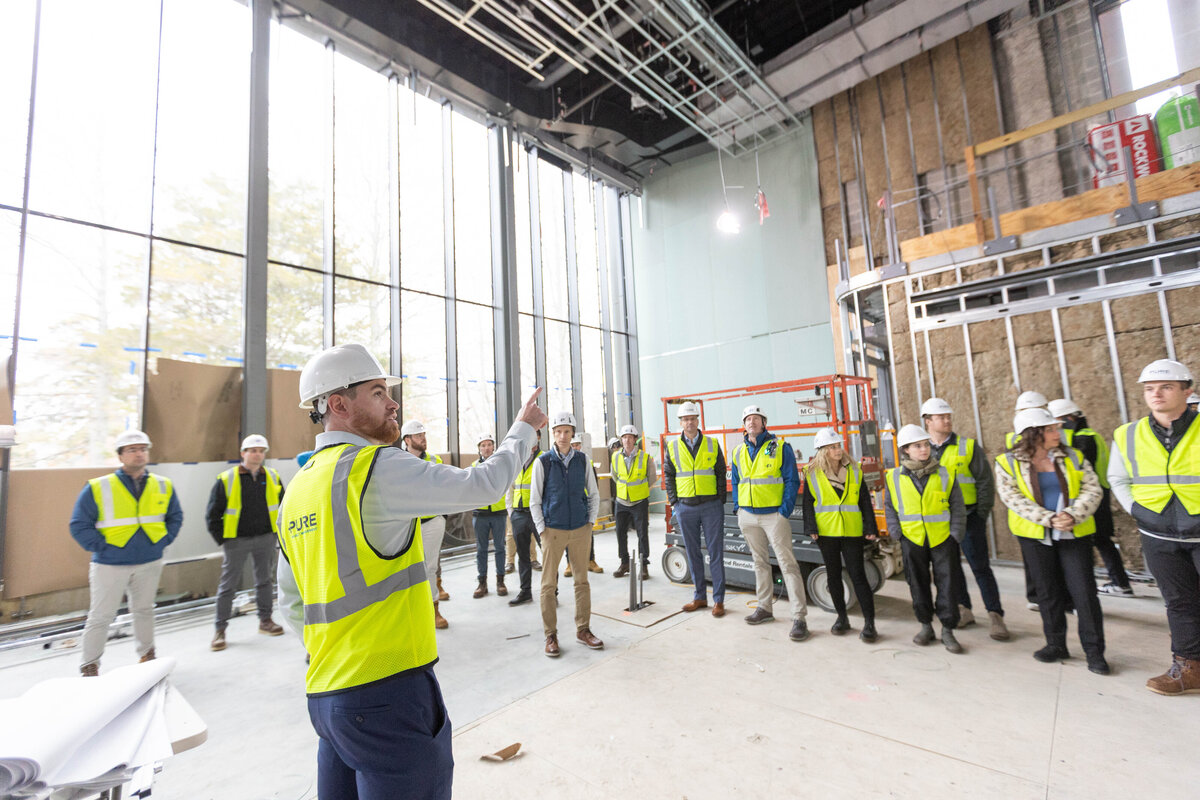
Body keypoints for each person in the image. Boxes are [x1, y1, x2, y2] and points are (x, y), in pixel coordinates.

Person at [276, 343, 544, 799]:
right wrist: (523, 429)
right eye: (378, 393)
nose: (393, 403)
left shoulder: (297, 491)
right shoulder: (375, 469)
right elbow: (483, 485)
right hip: (389, 695)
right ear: (338, 404)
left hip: (327, 699)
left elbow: (293, 604)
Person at [1110, 359, 1200, 695]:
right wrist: (1138, 510)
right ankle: (1188, 669)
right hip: (1157, 533)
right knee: (1179, 602)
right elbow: (1118, 478)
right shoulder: (1128, 434)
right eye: (1150, 389)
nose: (1156, 394)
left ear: (1187, 391)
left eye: (1166, 387)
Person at [995, 407, 1107, 674]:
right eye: (1050, 429)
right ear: (1032, 434)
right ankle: (1056, 644)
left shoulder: (1073, 456)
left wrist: (1072, 515)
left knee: (1084, 592)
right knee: (1048, 592)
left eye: (1056, 428)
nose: (1058, 432)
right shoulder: (1007, 462)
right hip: (1035, 536)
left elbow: (1092, 488)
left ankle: (1095, 653)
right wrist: (1048, 518)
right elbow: (1012, 498)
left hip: (1074, 533)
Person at [69, 430, 183, 676]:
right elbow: (79, 525)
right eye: (132, 450)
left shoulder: (163, 485)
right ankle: (90, 664)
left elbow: (175, 517)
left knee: (144, 610)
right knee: (101, 616)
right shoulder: (99, 486)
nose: (139, 454)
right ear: (120, 456)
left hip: (149, 560)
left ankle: (147, 654)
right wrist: (103, 547)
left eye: (143, 449)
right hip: (110, 563)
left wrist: (162, 541)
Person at [921, 398, 1009, 641]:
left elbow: (984, 482)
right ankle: (964, 609)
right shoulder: (922, 450)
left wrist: (981, 514)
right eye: (941, 417)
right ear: (928, 421)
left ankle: (995, 615)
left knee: (980, 567)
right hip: (941, 521)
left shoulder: (968, 446)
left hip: (970, 517)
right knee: (951, 568)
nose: (947, 420)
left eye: (948, 416)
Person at [884, 424, 966, 654]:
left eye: (925, 445)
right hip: (912, 539)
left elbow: (957, 505)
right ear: (906, 450)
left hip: (943, 538)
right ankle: (926, 626)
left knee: (948, 584)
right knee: (917, 584)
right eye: (917, 446)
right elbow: (890, 507)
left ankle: (948, 630)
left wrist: (955, 534)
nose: (924, 449)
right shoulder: (894, 477)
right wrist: (896, 532)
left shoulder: (944, 473)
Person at [731, 405, 808, 642]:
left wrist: (784, 511)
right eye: (748, 419)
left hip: (774, 516)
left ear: (764, 423)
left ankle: (799, 617)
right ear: (744, 425)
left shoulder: (780, 447)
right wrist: (738, 507)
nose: (751, 422)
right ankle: (764, 608)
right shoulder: (738, 451)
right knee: (759, 562)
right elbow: (736, 481)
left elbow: (791, 480)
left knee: (788, 565)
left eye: (756, 418)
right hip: (748, 516)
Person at [531, 412, 603, 657]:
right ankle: (550, 635)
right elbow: (534, 500)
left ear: (573, 434)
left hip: (580, 529)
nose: (562, 436)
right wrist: (542, 529)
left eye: (567, 431)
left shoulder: (583, 460)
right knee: (548, 584)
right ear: (552, 434)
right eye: (558, 431)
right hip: (553, 530)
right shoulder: (543, 462)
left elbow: (593, 494)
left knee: (582, 581)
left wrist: (590, 522)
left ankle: (583, 630)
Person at [206, 434, 286, 651]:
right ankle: (220, 630)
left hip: (265, 538)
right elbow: (212, 513)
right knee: (228, 585)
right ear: (243, 453)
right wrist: (223, 539)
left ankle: (266, 621)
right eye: (253, 451)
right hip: (236, 541)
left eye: (261, 451)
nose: (257, 454)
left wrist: (276, 535)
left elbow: (284, 506)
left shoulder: (272, 477)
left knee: (265, 581)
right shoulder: (227, 478)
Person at [1049, 397, 1133, 597]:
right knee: (1102, 539)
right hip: (1098, 493)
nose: (1055, 429)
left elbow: (1077, 468)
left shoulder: (1082, 438)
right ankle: (1120, 582)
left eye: (1057, 423)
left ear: (1068, 418)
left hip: (1090, 497)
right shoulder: (1089, 434)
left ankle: (1118, 583)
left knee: (1098, 540)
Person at [802, 427, 879, 642]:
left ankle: (870, 624)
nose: (838, 450)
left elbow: (864, 500)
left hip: (852, 531)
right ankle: (842, 618)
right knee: (833, 576)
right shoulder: (812, 473)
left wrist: (870, 527)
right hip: (826, 532)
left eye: (838, 446)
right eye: (832, 447)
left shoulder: (854, 470)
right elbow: (808, 502)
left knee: (858, 575)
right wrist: (811, 528)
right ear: (822, 451)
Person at [664, 401, 727, 617]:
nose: (689, 422)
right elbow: (669, 475)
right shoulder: (672, 446)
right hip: (685, 507)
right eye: (685, 419)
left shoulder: (712, 443)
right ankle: (700, 597)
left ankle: (718, 600)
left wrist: (719, 499)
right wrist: (675, 502)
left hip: (711, 506)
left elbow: (720, 471)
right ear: (680, 422)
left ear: (698, 420)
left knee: (715, 553)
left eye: (692, 418)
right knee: (692, 553)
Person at [402, 419, 449, 629]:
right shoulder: (398, 461)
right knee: (406, 569)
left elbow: (444, 486)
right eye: (418, 435)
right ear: (407, 440)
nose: (423, 438)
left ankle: (434, 609)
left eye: (424, 435)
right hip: (407, 524)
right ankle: (411, 611)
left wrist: (443, 516)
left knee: (430, 567)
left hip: (432, 522)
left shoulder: (434, 460)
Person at [611, 424, 656, 580]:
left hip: (639, 501)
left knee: (642, 533)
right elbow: (615, 476)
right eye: (624, 437)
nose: (627, 440)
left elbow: (652, 478)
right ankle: (624, 563)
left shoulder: (645, 457)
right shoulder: (615, 457)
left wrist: (639, 490)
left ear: (635, 439)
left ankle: (643, 565)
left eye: (630, 437)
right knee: (620, 532)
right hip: (621, 501)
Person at [505, 433, 543, 606]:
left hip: (538, 514)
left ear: (538, 439)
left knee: (548, 554)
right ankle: (525, 592)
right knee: (523, 556)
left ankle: (552, 592)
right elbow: (510, 488)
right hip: (519, 514)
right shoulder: (517, 460)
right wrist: (512, 512)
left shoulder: (544, 459)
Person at [470, 433, 508, 598]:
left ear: (494, 447)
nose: (486, 448)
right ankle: (482, 583)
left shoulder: (500, 465)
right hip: (480, 514)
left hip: (498, 513)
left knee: (500, 548)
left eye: (489, 444)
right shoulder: (474, 466)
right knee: (481, 550)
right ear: (479, 449)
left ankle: (501, 581)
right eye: (483, 445)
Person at [565, 434, 603, 575]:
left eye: (577, 445)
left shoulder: (586, 461)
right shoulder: (564, 463)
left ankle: (590, 560)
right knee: (567, 534)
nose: (575, 447)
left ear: (580, 446)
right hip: (568, 504)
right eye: (573, 445)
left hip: (584, 504)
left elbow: (594, 486)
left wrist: (592, 505)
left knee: (588, 533)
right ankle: (569, 563)